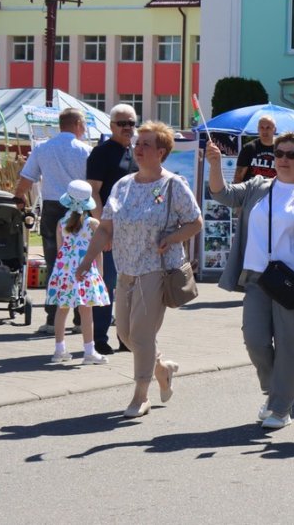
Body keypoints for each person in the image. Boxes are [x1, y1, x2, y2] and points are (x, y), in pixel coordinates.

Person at [77, 122, 202, 418]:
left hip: (156, 268)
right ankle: (162, 368)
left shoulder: (173, 185)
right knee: (125, 334)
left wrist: (173, 237)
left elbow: (195, 223)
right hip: (126, 268)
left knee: (142, 334)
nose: (138, 148)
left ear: (161, 152)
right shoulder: (123, 185)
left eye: (146, 144)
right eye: (138, 143)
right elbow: (105, 228)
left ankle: (140, 396)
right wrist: (87, 260)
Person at [207, 132, 294, 429]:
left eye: (291, 155)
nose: (283, 160)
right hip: (257, 277)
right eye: (278, 154)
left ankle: (280, 407)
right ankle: (276, 389)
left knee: (287, 344)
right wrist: (215, 165)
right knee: (255, 340)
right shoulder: (257, 186)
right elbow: (222, 194)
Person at [13, 108, 92, 334]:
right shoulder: (86, 150)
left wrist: (18, 198)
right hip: (79, 208)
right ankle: (80, 319)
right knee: (80, 261)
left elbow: (26, 178)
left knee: (54, 263)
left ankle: (52, 319)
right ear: (77, 124)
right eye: (84, 124)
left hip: (52, 209)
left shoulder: (43, 148)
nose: (84, 128)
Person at [86, 103, 139, 354]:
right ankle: (99, 338)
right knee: (106, 284)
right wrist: (103, 230)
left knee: (128, 286)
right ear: (111, 125)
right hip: (110, 230)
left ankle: (125, 337)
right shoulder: (101, 153)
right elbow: (93, 192)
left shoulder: (137, 152)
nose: (127, 127)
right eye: (122, 123)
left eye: (131, 123)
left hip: (133, 231)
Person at [47, 180, 110, 366]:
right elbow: (97, 251)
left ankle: (59, 350)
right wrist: (100, 273)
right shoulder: (93, 224)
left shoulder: (61, 223)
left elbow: (60, 249)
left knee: (62, 309)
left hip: (64, 270)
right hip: (85, 270)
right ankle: (89, 351)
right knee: (86, 311)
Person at [234, 114, 277, 182]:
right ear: (258, 129)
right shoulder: (249, 148)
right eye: (261, 127)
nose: (264, 131)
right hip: (251, 188)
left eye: (268, 128)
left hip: (273, 188)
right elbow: (239, 175)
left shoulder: (281, 149)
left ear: (274, 130)